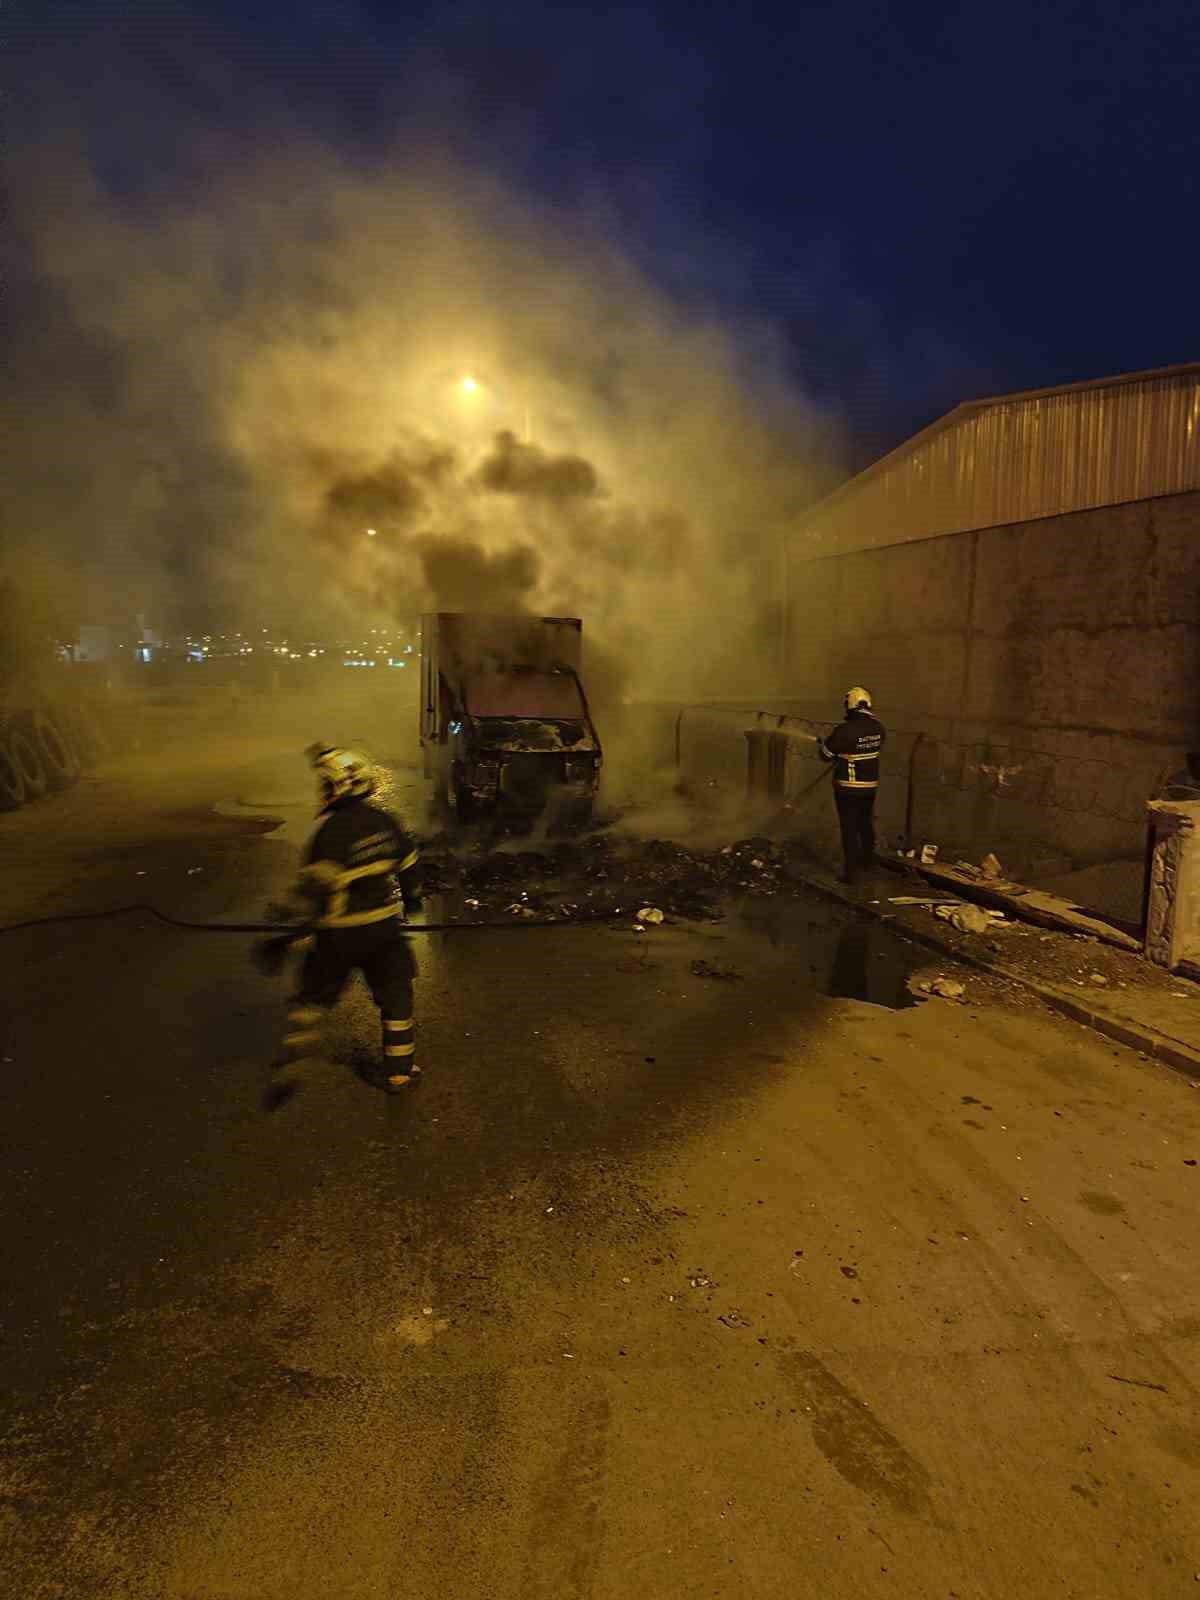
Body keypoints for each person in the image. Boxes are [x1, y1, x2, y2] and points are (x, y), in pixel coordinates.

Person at [270, 745, 424, 1093]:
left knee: (317, 993)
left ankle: (295, 1048)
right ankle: (400, 1072)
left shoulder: (329, 834)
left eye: (325, 785)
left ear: (338, 787)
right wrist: (412, 899)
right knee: (396, 995)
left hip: (338, 935)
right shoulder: (385, 822)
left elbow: (314, 887)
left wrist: (285, 922)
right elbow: (410, 862)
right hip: (384, 931)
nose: (321, 791)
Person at [819, 686, 886, 885]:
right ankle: (868, 862)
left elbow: (825, 755)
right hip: (870, 787)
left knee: (849, 828)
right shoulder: (878, 728)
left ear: (850, 705)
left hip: (848, 787)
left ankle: (851, 873)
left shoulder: (845, 730)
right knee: (865, 824)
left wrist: (825, 745)